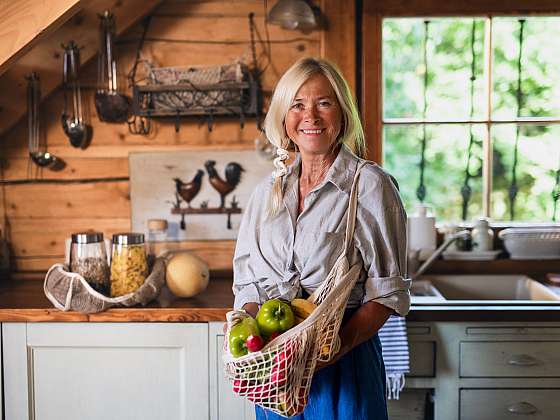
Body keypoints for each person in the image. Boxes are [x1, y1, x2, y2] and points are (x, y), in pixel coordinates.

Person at [232, 57, 410, 419]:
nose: (310, 116)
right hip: (274, 376)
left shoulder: (370, 187)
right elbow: (247, 284)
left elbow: (387, 293)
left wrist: (325, 353)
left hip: (344, 368)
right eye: (298, 105)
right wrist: (255, 342)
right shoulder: (266, 193)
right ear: (284, 117)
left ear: (342, 114)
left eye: (323, 103)